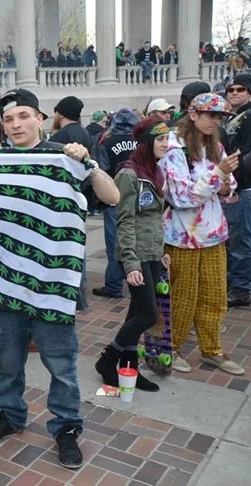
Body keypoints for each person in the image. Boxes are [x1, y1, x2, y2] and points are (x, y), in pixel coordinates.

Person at [0, 88, 119, 470]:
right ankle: (9, 414)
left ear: (40, 118)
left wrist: (88, 163)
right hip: (7, 282)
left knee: (60, 363)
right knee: (8, 359)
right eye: (9, 119)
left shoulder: (63, 158)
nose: (16, 124)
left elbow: (112, 197)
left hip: (52, 286)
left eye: (24, 115)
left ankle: (67, 427)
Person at [159, 93, 245, 376]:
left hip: (214, 234)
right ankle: (172, 347)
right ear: (194, 114)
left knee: (215, 296)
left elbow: (229, 186)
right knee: (183, 297)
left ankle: (212, 350)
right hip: (182, 237)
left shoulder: (216, 146)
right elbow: (182, 197)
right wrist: (218, 175)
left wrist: (225, 184)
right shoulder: (174, 149)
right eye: (211, 115)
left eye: (220, 117)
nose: (216, 121)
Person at [95, 118, 171, 393]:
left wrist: (161, 251)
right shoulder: (129, 175)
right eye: (160, 139)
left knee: (135, 316)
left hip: (151, 252)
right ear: (146, 143)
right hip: (135, 254)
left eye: (167, 138)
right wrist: (130, 263)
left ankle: (131, 370)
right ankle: (107, 360)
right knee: (147, 316)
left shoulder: (155, 171)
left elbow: (154, 219)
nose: (165, 144)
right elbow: (124, 221)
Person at [92, 109, 140, 298]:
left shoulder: (106, 140)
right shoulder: (141, 140)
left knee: (115, 244)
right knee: (137, 239)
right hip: (139, 196)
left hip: (115, 197)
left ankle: (114, 285)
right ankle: (137, 279)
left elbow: (102, 169)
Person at [223, 75, 251, 307]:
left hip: (243, 186)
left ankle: (241, 289)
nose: (233, 93)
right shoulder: (234, 117)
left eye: (240, 89)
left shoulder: (249, 116)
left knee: (240, 241)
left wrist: (236, 178)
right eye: (230, 89)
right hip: (235, 185)